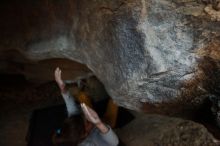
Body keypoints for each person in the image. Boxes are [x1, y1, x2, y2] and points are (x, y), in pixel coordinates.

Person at [53, 67, 119, 146]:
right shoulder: (92, 142)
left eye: (82, 116)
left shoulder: (74, 124)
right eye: (87, 121)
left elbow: (70, 105)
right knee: (116, 99)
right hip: (103, 126)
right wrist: (99, 123)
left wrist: (62, 87)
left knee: (82, 96)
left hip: (94, 120)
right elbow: (114, 143)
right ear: (85, 135)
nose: (87, 117)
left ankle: (83, 85)